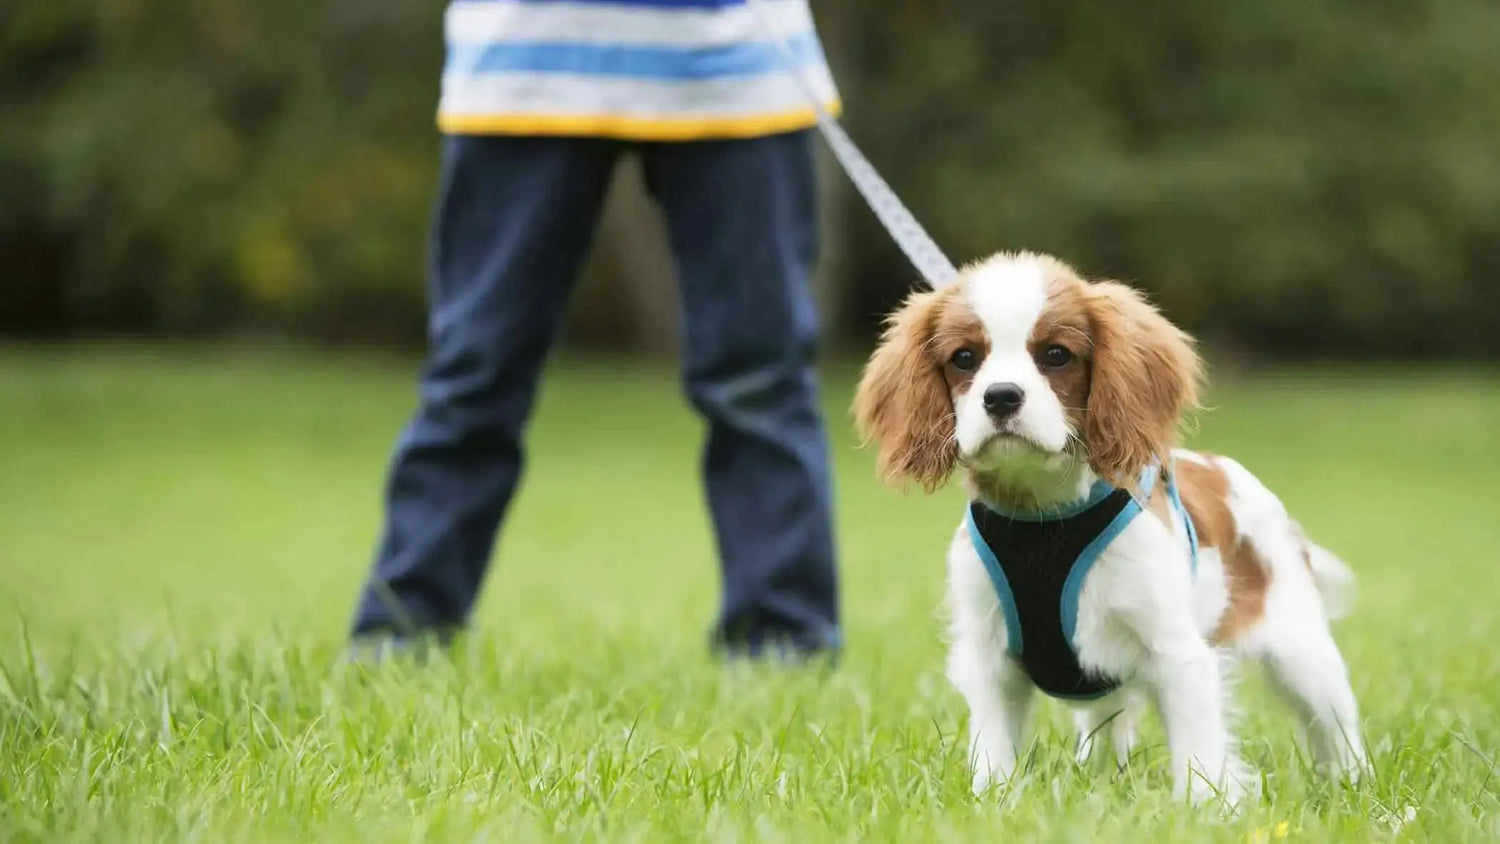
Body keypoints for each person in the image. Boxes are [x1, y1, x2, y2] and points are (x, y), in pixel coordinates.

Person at [348, 0, 844, 660]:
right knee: (475, 373)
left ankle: (786, 645)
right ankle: (400, 636)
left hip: (737, 64)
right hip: (523, 63)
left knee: (761, 382)